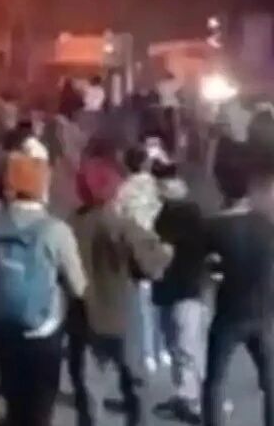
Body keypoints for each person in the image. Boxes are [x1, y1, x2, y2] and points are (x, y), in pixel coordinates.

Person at [0, 151, 86, 426]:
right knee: (40, 404)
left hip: (2, 324)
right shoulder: (55, 229)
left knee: (14, 399)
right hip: (44, 330)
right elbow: (78, 285)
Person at [69, 154, 172, 426]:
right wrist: (165, 252)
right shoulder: (121, 225)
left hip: (83, 315)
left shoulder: (71, 224)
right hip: (122, 312)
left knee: (90, 387)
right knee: (135, 383)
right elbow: (151, 265)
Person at [202, 154, 274, 426]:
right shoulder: (266, 225)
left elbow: (207, 266)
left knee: (215, 380)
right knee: (270, 379)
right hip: (263, 310)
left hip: (229, 312)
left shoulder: (213, 228)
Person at [152, 165, 210, 422]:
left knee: (185, 346)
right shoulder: (176, 212)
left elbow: (166, 251)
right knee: (182, 345)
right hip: (182, 288)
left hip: (183, 288)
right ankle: (187, 394)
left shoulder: (180, 215)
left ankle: (193, 399)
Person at [114, 146, 168, 373]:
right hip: (156, 245)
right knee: (160, 301)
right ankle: (162, 347)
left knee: (143, 304)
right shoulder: (157, 187)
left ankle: (148, 354)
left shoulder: (123, 190)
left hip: (136, 249)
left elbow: (118, 219)